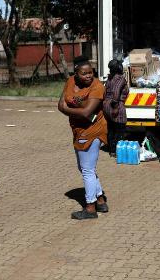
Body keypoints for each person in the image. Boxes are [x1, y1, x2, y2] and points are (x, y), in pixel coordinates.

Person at [58, 56, 109, 220]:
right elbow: (60, 105)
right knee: (85, 168)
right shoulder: (71, 81)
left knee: (87, 170)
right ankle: (100, 200)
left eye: (91, 73)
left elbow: (88, 112)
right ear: (76, 74)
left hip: (93, 131)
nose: (89, 76)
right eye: (84, 73)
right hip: (78, 130)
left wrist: (68, 109)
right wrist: (72, 110)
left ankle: (90, 207)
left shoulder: (97, 87)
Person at [103, 59, 129, 158]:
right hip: (116, 104)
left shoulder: (109, 78)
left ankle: (111, 150)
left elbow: (106, 91)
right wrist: (115, 107)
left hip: (107, 104)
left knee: (111, 128)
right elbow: (116, 92)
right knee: (120, 128)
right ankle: (117, 150)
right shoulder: (120, 78)